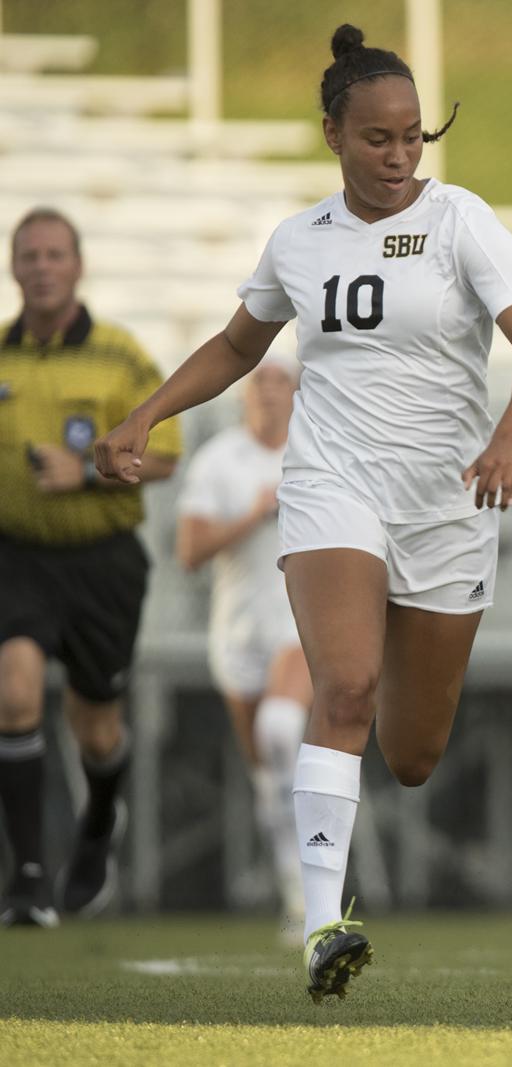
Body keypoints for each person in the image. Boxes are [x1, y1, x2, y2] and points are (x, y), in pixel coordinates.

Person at [96, 25, 512, 1000]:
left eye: (413, 139)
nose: (399, 158)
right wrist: (146, 410)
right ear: (332, 135)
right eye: (378, 139)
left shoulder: (461, 220)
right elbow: (236, 346)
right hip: (331, 483)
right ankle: (322, 923)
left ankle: (339, 851)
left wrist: (511, 436)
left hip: (448, 500)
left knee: (413, 751)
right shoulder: (296, 240)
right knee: (343, 686)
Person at [0, 207, 181, 928]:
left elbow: (165, 457)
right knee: (13, 694)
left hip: (103, 562)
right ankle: (29, 878)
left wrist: (84, 472)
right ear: (15, 268)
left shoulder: (121, 356)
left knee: (96, 727)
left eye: (55, 254)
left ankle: (101, 818)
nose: (42, 266)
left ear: (77, 267)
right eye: (29, 255)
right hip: (17, 555)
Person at [176, 354, 310, 942]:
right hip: (238, 632)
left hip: (299, 624)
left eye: (281, 382)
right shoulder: (218, 461)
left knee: (280, 732)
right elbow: (190, 550)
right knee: (266, 772)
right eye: (260, 381)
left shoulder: (315, 450)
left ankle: (314, 891)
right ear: (242, 394)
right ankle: (294, 888)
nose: (270, 392)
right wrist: (253, 514)